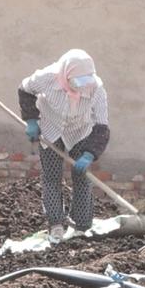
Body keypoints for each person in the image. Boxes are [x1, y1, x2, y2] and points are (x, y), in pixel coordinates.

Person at [18, 49, 110, 242]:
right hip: (51, 129)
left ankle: (81, 226)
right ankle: (56, 225)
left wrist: (90, 154)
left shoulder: (96, 88)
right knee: (52, 177)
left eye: (86, 80)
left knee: (82, 176)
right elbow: (25, 90)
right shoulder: (46, 77)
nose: (82, 86)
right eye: (78, 80)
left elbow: (102, 125)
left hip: (80, 131)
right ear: (66, 74)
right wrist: (31, 120)